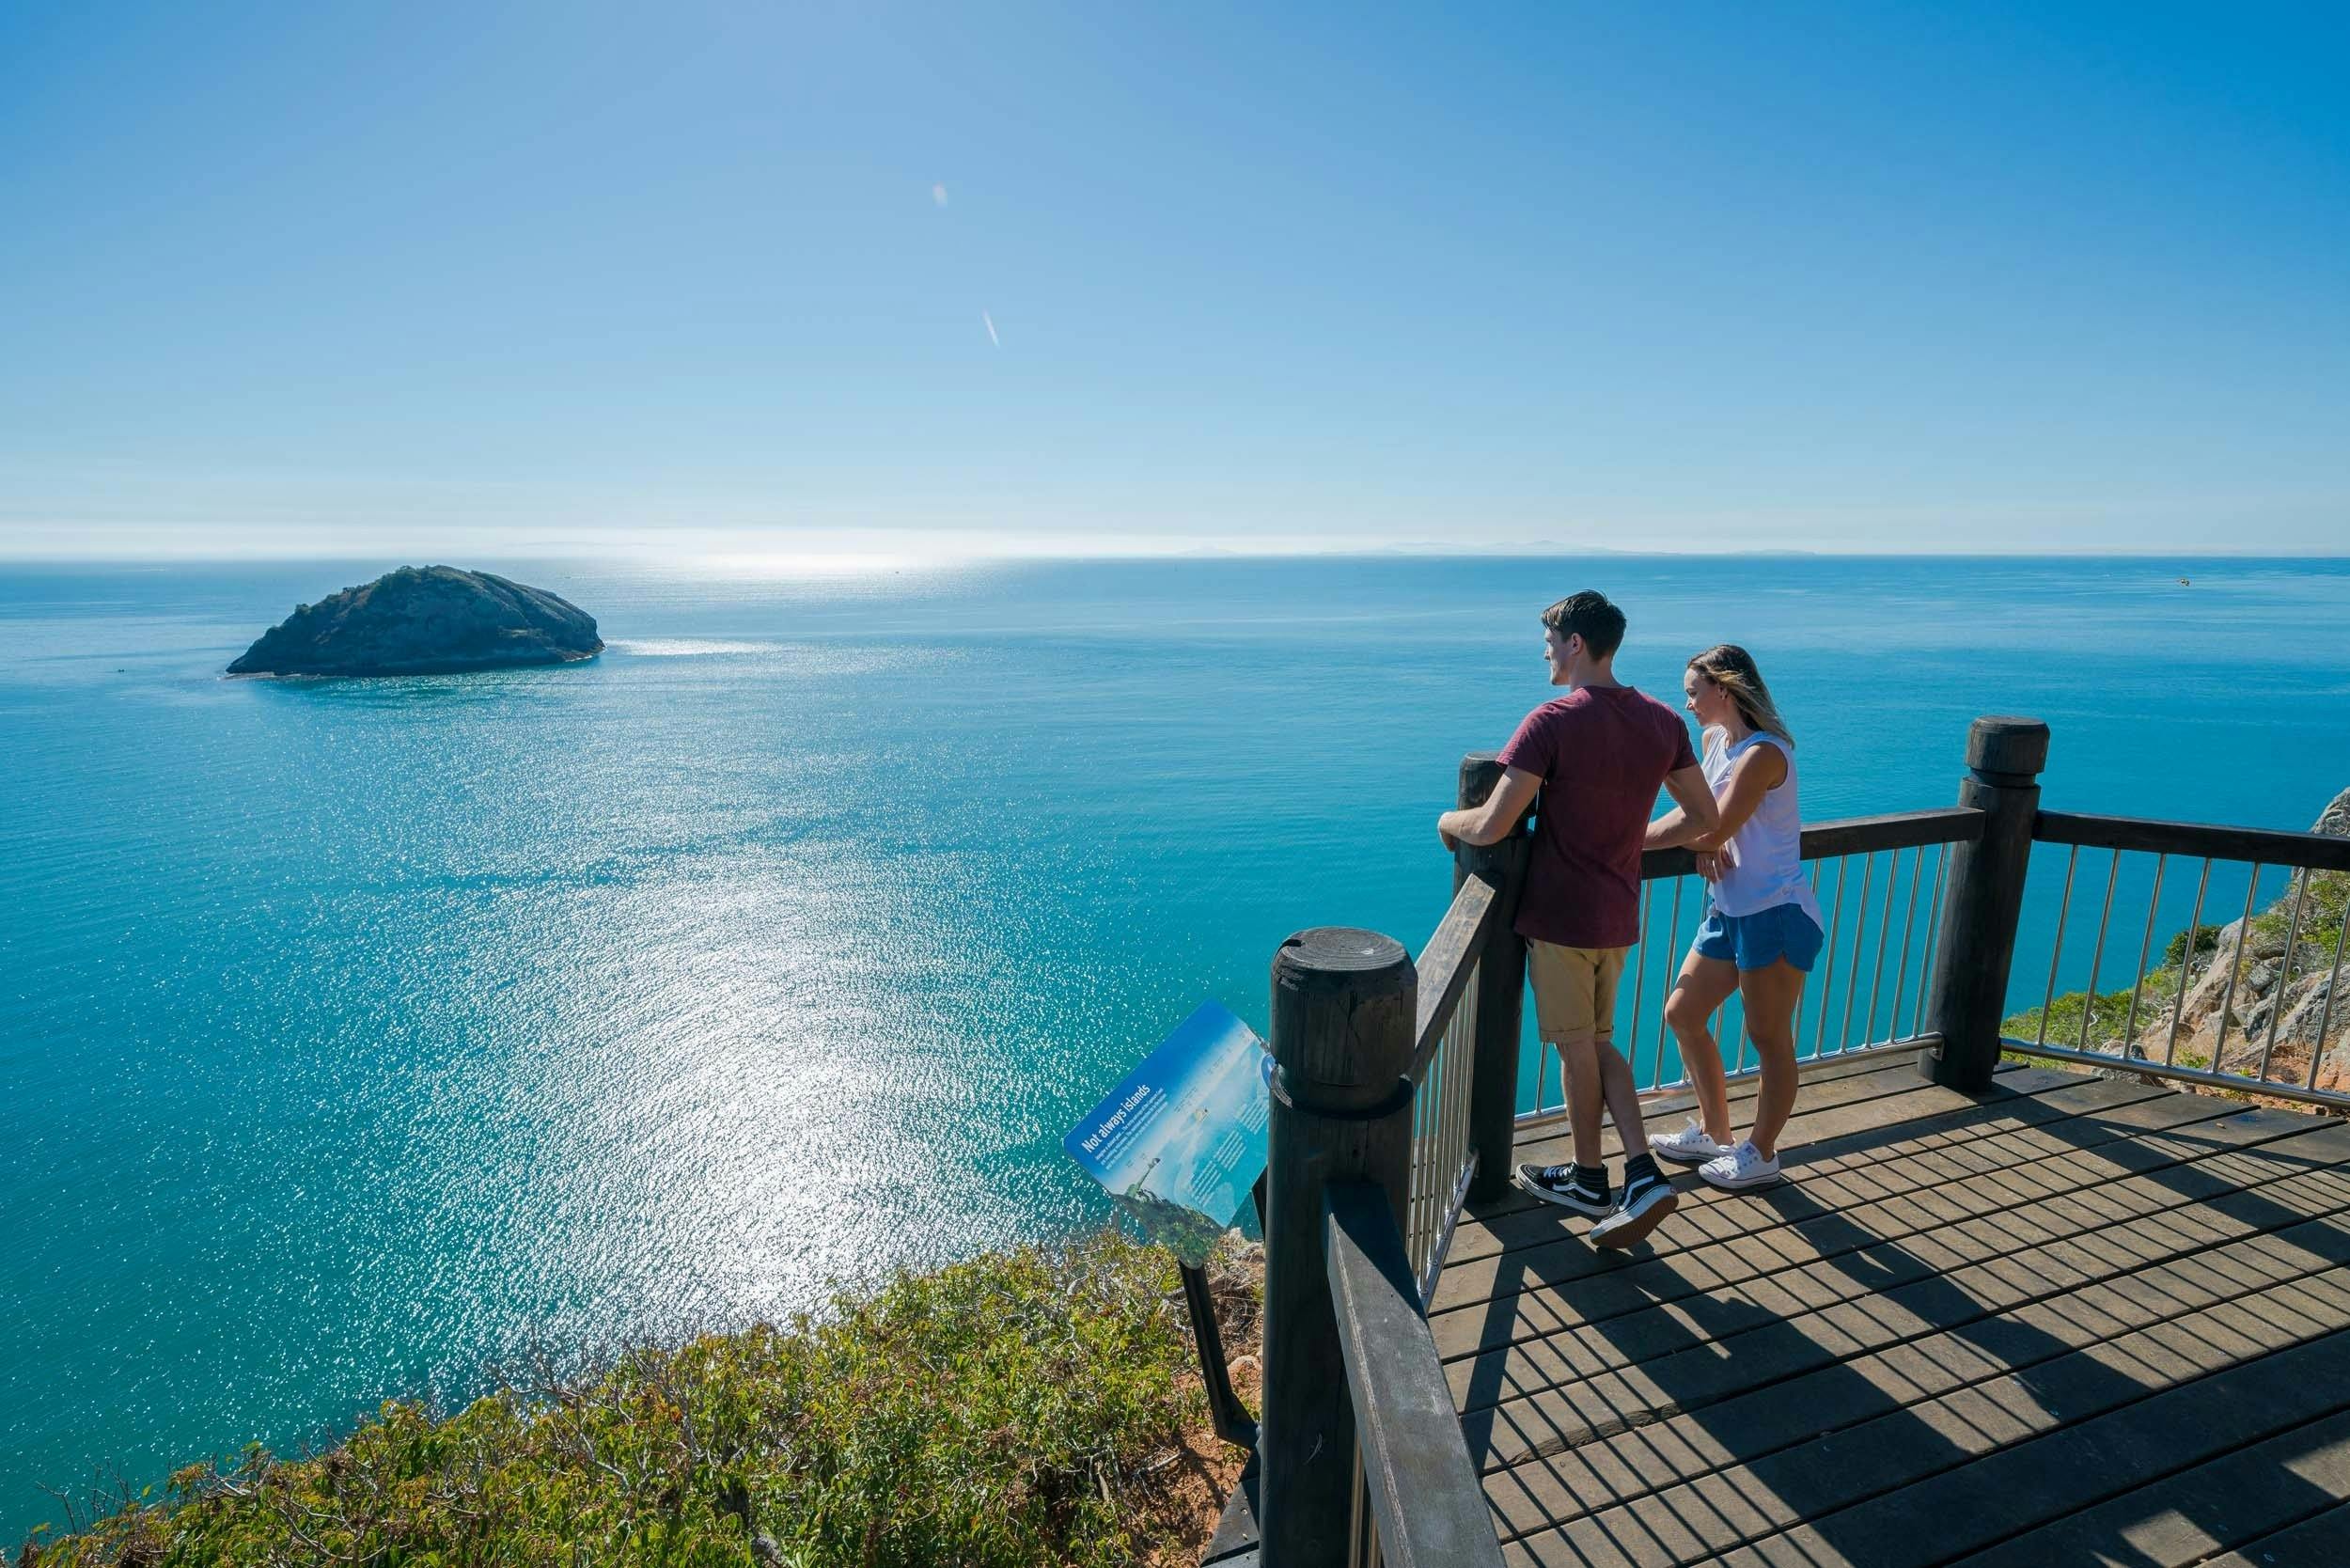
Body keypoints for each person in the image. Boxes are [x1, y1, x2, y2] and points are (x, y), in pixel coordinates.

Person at [1438, 590, 1719, 1249]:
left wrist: (1445, 823)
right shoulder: (1660, 722)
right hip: (1617, 913)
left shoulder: (1552, 722)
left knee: (1576, 1049)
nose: (1544, 651)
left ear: (1575, 644)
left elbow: (1492, 824)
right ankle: (1635, 1172)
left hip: (1561, 917)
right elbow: (1703, 818)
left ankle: (1594, 1178)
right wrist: (1631, 841)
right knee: (1595, 1042)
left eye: (1550, 639)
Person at [1644, 644, 1825, 1190]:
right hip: (1730, 910)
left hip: (1776, 911)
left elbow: (1714, 824)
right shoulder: (1717, 742)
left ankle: (1761, 1153)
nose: (1689, 704)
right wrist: (1704, 844)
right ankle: (1716, 1132)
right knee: (1683, 1012)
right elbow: (1707, 823)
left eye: (1694, 692)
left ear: (1724, 689)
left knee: (1768, 1037)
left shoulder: (1765, 755)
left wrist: (1626, 844)